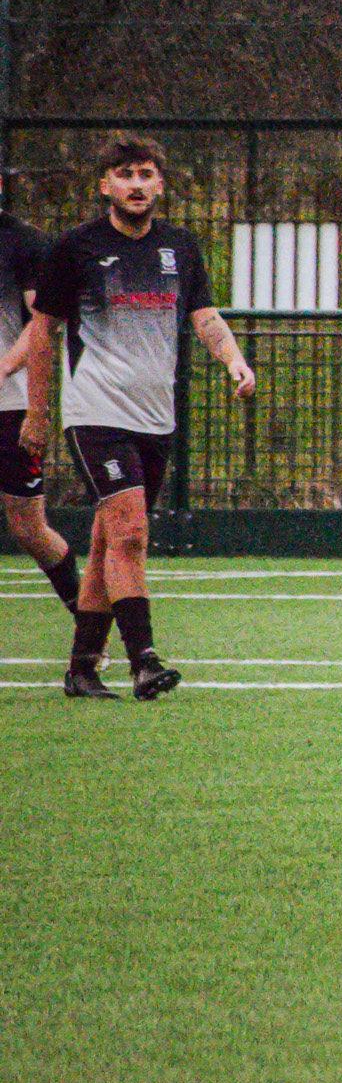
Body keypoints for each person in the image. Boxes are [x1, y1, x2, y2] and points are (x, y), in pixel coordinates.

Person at [20, 135, 256, 700]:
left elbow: (203, 314)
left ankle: (81, 667)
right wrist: (38, 412)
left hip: (156, 416)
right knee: (130, 531)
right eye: (124, 175)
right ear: (106, 186)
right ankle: (143, 660)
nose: (136, 184)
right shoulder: (75, 247)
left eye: (146, 174)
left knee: (108, 545)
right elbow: (43, 333)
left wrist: (234, 359)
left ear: (160, 186)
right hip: (94, 411)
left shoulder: (180, 247)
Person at [0, 210, 87, 625]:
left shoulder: (25, 241)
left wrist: (1, 369)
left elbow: (41, 324)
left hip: (8, 404)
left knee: (29, 529)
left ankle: (89, 623)